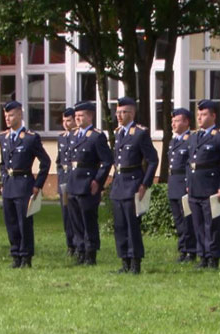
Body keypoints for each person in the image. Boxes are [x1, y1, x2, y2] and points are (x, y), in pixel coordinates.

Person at [0, 101, 51, 268]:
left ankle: (26, 256)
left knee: (24, 223)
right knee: (11, 222)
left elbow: (45, 161)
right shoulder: (3, 137)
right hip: (9, 185)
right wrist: (4, 177)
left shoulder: (30, 138)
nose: (7, 118)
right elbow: (2, 163)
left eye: (11, 115)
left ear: (20, 115)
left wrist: (38, 184)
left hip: (24, 184)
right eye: (6, 116)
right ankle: (15, 254)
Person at [109, 97, 158, 274]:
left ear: (132, 113)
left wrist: (145, 183)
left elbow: (153, 160)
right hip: (119, 183)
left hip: (133, 183)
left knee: (131, 225)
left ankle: (135, 262)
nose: (120, 116)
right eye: (118, 112)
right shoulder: (118, 133)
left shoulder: (139, 133)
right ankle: (124, 261)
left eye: (124, 112)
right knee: (120, 225)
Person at [66, 101, 113, 265]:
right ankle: (80, 250)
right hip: (73, 182)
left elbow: (107, 161)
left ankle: (90, 252)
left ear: (90, 116)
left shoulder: (96, 136)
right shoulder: (72, 135)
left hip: (87, 183)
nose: (78, 119)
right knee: (76, 221)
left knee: (88, 220)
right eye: (76, 116)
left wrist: (97, 181)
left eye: (81, 116)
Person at [186, 99, 220, 269]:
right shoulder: (194, 136)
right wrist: (188, 182)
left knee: (212, 225)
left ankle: (213, 257)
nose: (200, 118)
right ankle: (202, 255)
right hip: (195, 186)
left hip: (211, 186)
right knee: (197, 224)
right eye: (198, 114)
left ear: (213, 116)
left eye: (204, 114)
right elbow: (189, 161)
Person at [167, 108, 196, 262]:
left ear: (186, 122)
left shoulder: (190, 140)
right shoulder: (174, 141)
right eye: (173, 121)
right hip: (174, 183)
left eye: (177, 121)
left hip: (184, 183)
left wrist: (188, 183)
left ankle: (191, 250)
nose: (173, 124)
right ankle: (183, 249)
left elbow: (190, 164)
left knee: (187, 219)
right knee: (178, 219)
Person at [56, 108, 78, 259]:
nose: (65, 124)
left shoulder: (78, 136)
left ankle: (79, 244)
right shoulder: (61, 138)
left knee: (75, 214)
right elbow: (59, 160)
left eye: (68, 120)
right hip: (64, 180)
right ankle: (70, 244)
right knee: (66, 215)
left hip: (75, 178)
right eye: (63, 121)